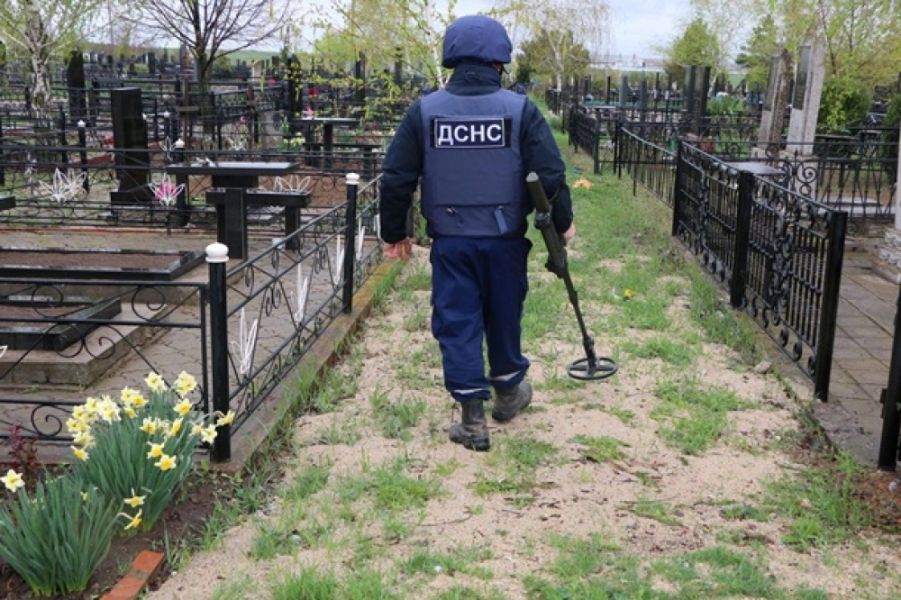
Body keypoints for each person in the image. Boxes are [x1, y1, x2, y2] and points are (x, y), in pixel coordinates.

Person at [378, 15, 574, 452]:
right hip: (505, 241)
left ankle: (472, 420)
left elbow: (396, 177)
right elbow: (550, 173)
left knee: (457, 320)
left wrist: (395, 231)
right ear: (499, 61)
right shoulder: (521, 110)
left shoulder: (424, 111)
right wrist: (562, 223)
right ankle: (507, 394)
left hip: (451, 242)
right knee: (504, 313)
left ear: (451, 58)